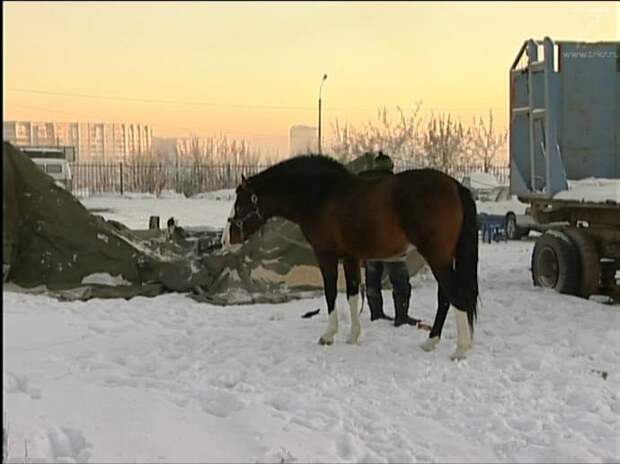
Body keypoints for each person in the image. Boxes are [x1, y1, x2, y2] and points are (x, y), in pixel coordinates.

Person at [359, 152, 420, 327]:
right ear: (390, 167)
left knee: (373, 280)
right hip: (392, 243)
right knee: (400, 282)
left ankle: (376, 314)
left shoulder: (364, 187)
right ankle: (401, 315)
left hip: (370, 243)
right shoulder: (398, 185)